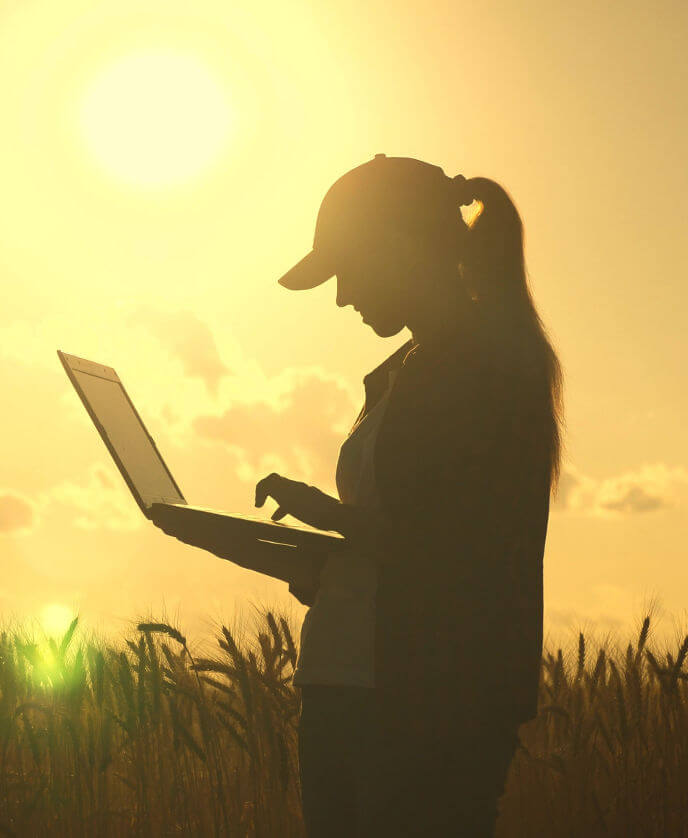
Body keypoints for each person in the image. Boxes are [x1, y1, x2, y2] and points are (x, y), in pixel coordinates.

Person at [155, 153, 564, 837]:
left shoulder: (485, 369)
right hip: (351, 686)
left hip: (424, 705)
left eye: (346, 268)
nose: (341, 296)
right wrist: (277, 551)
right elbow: (394, 550)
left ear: (397, 246)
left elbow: (462, 553)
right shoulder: (407, 372)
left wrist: (327, 518)